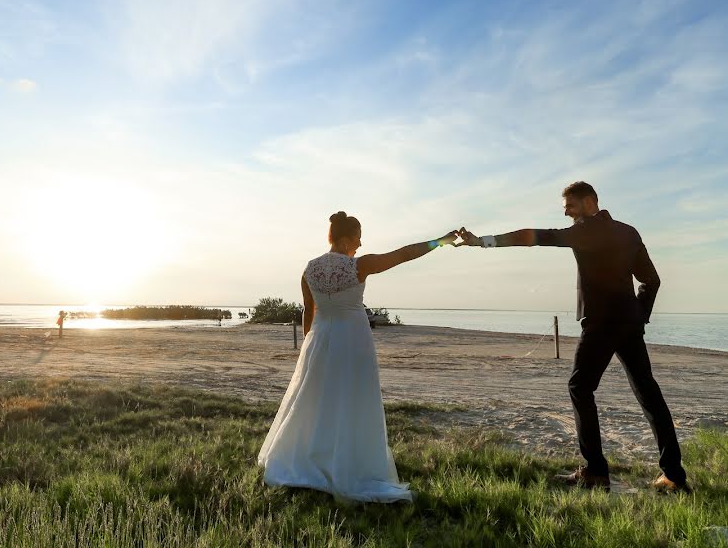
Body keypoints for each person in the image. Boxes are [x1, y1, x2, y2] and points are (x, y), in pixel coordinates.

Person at [457, 181, 689, 492]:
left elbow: (535, 237)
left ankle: (595, 470)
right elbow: (652, 280)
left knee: (580, 388)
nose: (567, 212)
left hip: (600, 325)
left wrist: (481, 241)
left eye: (571, 206)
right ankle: (674, 475)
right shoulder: (629, 232)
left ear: (590, 202)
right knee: (649, 394)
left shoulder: (585, 230)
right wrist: (638, 316)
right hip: (629, 325)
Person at [257, 211, 458, 502]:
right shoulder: (357, 266)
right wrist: (441, 241)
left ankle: (312, 457)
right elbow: (403, 254)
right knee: (353, 399)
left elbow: (307, 310)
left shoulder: (309, 270)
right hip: (352, 341)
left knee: (317, 399)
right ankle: (349, 463)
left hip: (320, 340)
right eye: (358, 237)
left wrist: (308, 342)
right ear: (344, 238)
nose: (361, 244)